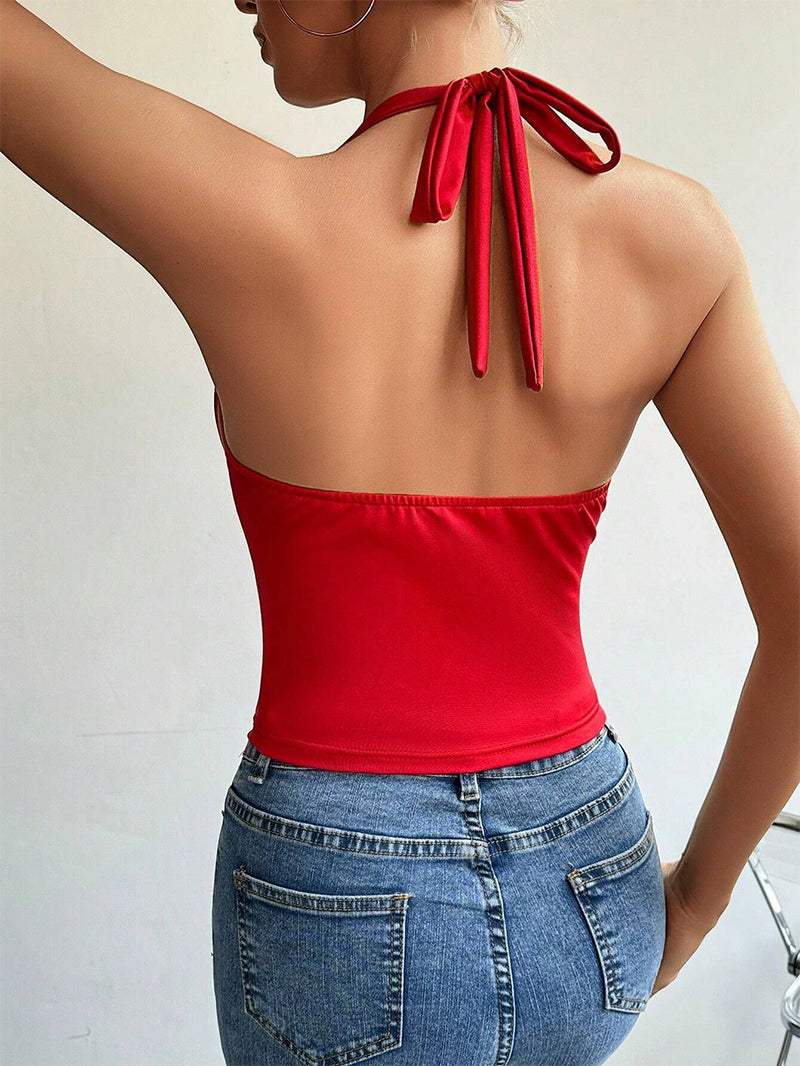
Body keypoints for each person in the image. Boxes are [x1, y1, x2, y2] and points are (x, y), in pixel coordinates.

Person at [2, 1, 798, 1063]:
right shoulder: (674, 234)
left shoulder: (250, 215)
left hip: (333, 895)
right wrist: (692, 902)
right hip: (589, 876)